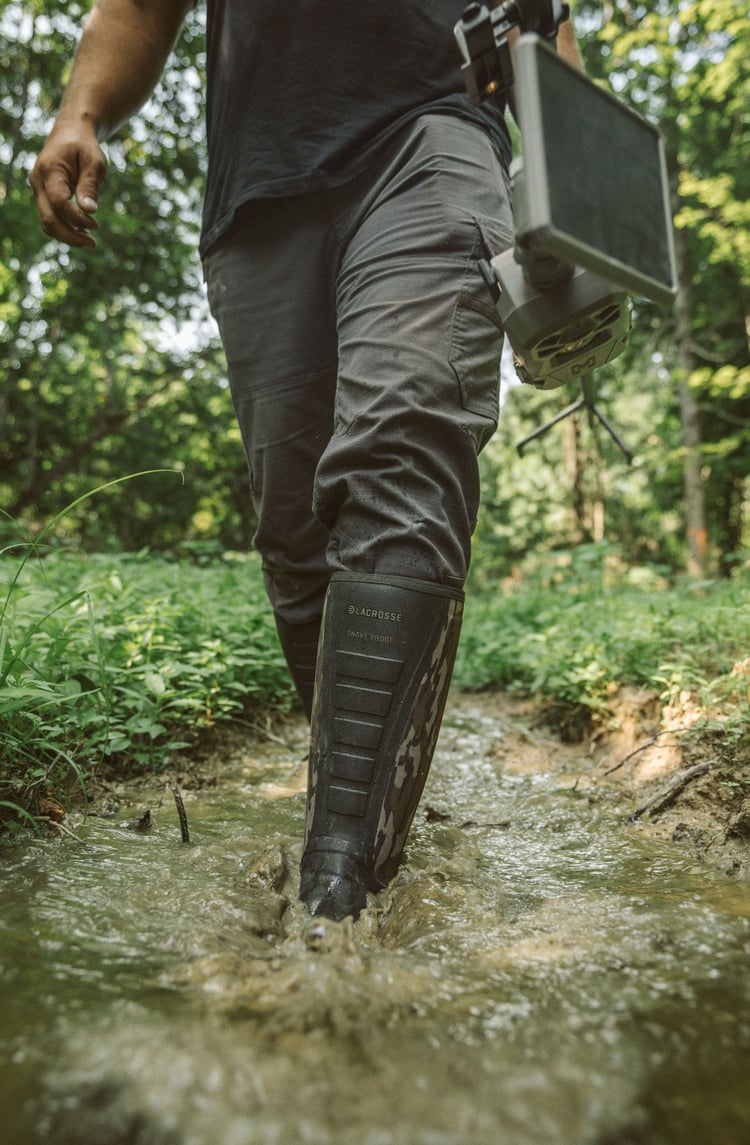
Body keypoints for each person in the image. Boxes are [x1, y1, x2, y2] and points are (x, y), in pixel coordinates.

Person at [31, 1, 581, 922]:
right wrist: (81, 110)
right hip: (261, 181)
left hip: (434, 132)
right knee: (296, 529)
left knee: (405, 440)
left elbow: (542, 15)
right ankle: (352, 790)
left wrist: (580, 191)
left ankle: (336, 894)